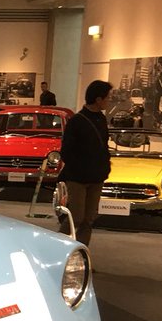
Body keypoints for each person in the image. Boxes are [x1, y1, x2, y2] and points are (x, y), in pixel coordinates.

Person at [59, 80, 112, 246]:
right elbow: (66, 150)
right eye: (107, 97)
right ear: (98, 99)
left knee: (89, 219)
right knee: (76, 218)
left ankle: (81, 256)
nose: (108, 101)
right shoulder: (77, 121)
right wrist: (79, 168)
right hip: (78, 178)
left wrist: (104, 167)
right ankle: (57, 249)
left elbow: (103, 146)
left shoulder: (101, 119)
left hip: (96, 177)